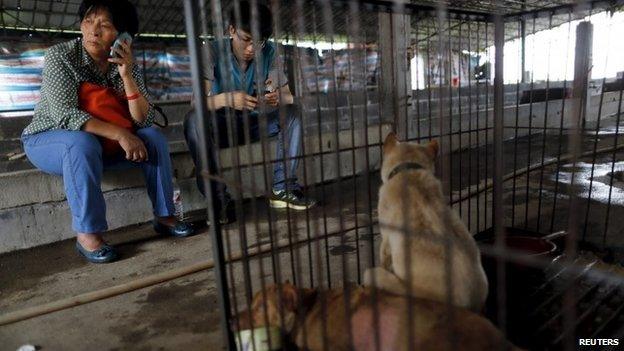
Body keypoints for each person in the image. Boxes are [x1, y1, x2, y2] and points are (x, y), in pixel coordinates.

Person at [21, 0, 193, 264]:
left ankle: (165, 216)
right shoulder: (61, 56)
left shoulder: (127, 64)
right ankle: (88, 234)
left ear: (123, 36)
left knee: (153, 138)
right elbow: (65, 115)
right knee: (80, 143)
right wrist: (122, 134)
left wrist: (126, 76)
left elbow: (145, 119)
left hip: (100, 144)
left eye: (105, 25)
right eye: (88, 22)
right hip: (49, 139)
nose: (93, 31)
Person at [184, 1, 316, 225]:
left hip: (255, 122)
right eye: (246, 40)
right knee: (193, 120)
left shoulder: (270, 52)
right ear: (231, 30)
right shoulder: (212, 51)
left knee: (293, 112)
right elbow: (196, 103)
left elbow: (288, 96)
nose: (251, 49)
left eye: (258, 42)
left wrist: (277, 97)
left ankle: (283, 188)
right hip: (222, 126)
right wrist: (228, 99)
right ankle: (218, 200)